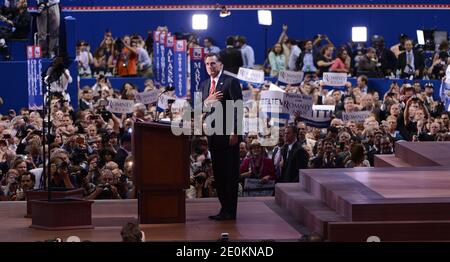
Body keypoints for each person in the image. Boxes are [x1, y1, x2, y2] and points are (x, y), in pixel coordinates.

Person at [201, 53, 242, 221]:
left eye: (213, 63)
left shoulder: (230, 81)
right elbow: (199, 107)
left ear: (220, 64)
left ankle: (230, 211)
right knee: (218, 175)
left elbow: (237, 107)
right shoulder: (204, 84)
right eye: (207, 64)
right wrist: (206, 101)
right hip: (213, 136)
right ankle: (224, 208)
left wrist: (235, 131)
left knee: (229, 175)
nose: (210, 66)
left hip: (228, 135)